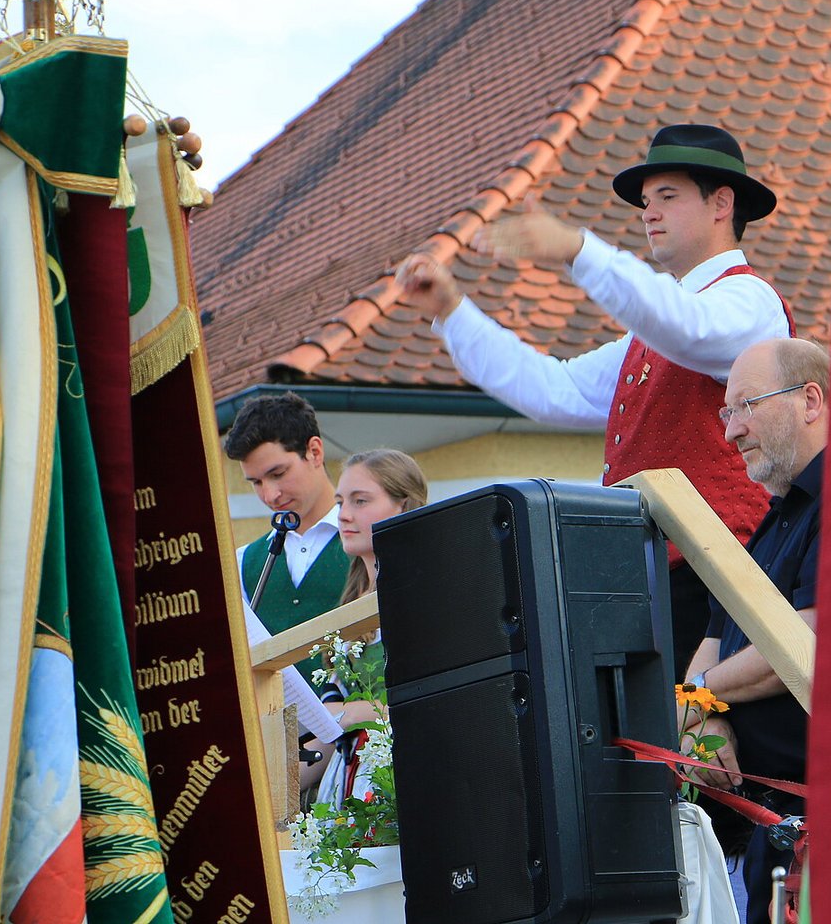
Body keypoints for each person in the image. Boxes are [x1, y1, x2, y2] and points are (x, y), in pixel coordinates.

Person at [397, 124, 793, 673]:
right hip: (650, 577)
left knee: (697, 723)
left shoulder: (749, 300)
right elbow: (556, 389)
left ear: (722, 203)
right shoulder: (653, 330)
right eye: (646, 203)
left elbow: (686, 326)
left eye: (667, 197)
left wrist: (575, 247)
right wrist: (452, 311)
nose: (649, 214)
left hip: (719, 578)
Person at [682, 337, 827, 924]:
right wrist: (703, 719)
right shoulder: (772, 522)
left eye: (746, 405)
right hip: (769, 833)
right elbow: (711, 647)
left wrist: (697, 700)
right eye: (726, 412)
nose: (730, 431)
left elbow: (803, 646)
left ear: (810, 400)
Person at [305, 449, 430, 803]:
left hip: (405, 777)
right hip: (348, 780)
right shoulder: (350, 603)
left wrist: (359, 713)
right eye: (340, 502)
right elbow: (333, 730)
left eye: (360, 501)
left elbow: (439, 707)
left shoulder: (426, 595)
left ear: (404, 507)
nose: (344, 515)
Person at [223, 392, 344, 682]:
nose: (269, 495)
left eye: (277, 473)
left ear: (315, 452)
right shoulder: (243, 562)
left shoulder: (374, 538)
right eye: (256, 482)